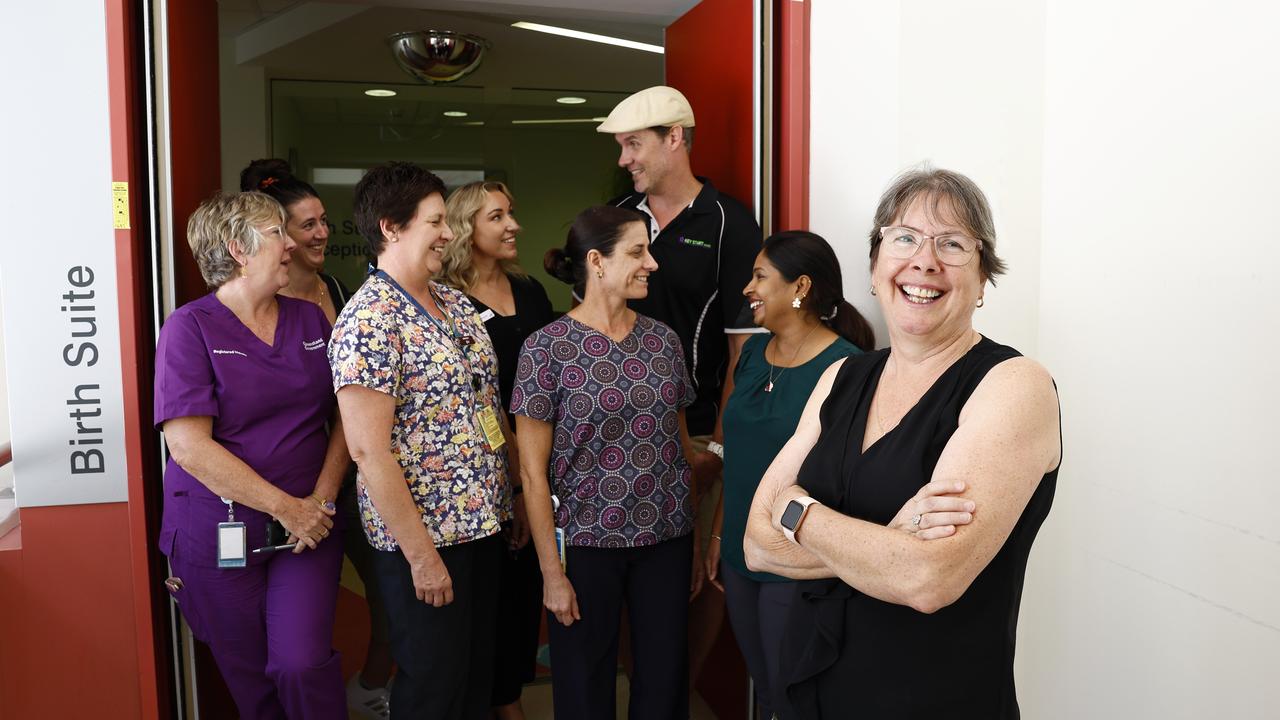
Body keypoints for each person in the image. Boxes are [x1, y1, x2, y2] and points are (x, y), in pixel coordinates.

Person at [744, 168, 1061, 718]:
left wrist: (797, 512)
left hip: (932, 699)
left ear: (984, 279)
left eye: (953, 244)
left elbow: (927, 578)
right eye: (905, 238)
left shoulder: (1012, 384)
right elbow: (756, 543)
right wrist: (888, 539)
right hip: (812, 687)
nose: (925, 261)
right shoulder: (842, 377)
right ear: (874, 266)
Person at [329, 162, 513, 720]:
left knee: (477, 677)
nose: (449, 233)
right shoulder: (369, 321)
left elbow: (485, 405)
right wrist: (422, 558)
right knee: (433, 687)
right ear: (391, 227)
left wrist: (515, 495)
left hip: (483, 523)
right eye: (436, 221)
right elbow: (367, 451)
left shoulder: (453, 304)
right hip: (426, 539)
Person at [155, 191, 347, 720]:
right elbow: (189, 446)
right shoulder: (189, 329)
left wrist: (320, 502)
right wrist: (286, 506)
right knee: (252, 682)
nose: (292, 244)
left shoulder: (311, 322)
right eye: (277, 233)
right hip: (219, 533)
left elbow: (346, 421)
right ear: (239, 248)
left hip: (308, 530)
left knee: (300, 664)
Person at [597, 84, 764, 680]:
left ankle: (677, 697)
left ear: (675, 139)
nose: (625, 160)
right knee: (615, 586)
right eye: (620, 148)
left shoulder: (731, 224)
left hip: (693, 438)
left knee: (700, 584)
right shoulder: (616, 218)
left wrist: (717, 448)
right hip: (611, 440)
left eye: (633, 145)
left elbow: (745, 355)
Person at [512, 206, 704, 720]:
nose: (653, 264)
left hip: (666, 539)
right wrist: (551, 574)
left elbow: (680, 451)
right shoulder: (544, 350)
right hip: (583, 546)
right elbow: (532, 473)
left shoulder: (663, 341)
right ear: (597, 261)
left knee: (664, 679)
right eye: (638, 252)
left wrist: (698, 539)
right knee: (582, 681)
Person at [240, 157, 391, 719]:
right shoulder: (261, 308)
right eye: (307, 225)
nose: (323, 232)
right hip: (303, 486)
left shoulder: (334, 286)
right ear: (276, 238)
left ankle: (372, 685)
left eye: (324, 220)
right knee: (300, 624)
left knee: (388, 595)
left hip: (361, 471)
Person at [705, 230, 870, 718]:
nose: (746, 289)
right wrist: (717, 534)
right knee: (769, 689)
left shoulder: (849, 367)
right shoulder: (752, 355)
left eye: (759, 277)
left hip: (795, 560)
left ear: (799, 287)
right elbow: (735, 454)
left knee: (795, 694)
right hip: (739, 552)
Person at [441, 180, 554, 720]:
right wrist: (510, 475)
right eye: (497, 217)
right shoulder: (444, 301)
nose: (513, 225)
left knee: (523, 593)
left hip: (537, 461)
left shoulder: (529, 290)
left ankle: (508, 697)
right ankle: (487, 700)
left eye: (512, 213)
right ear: (467, 229)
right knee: (481, 595)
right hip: (480, 470)